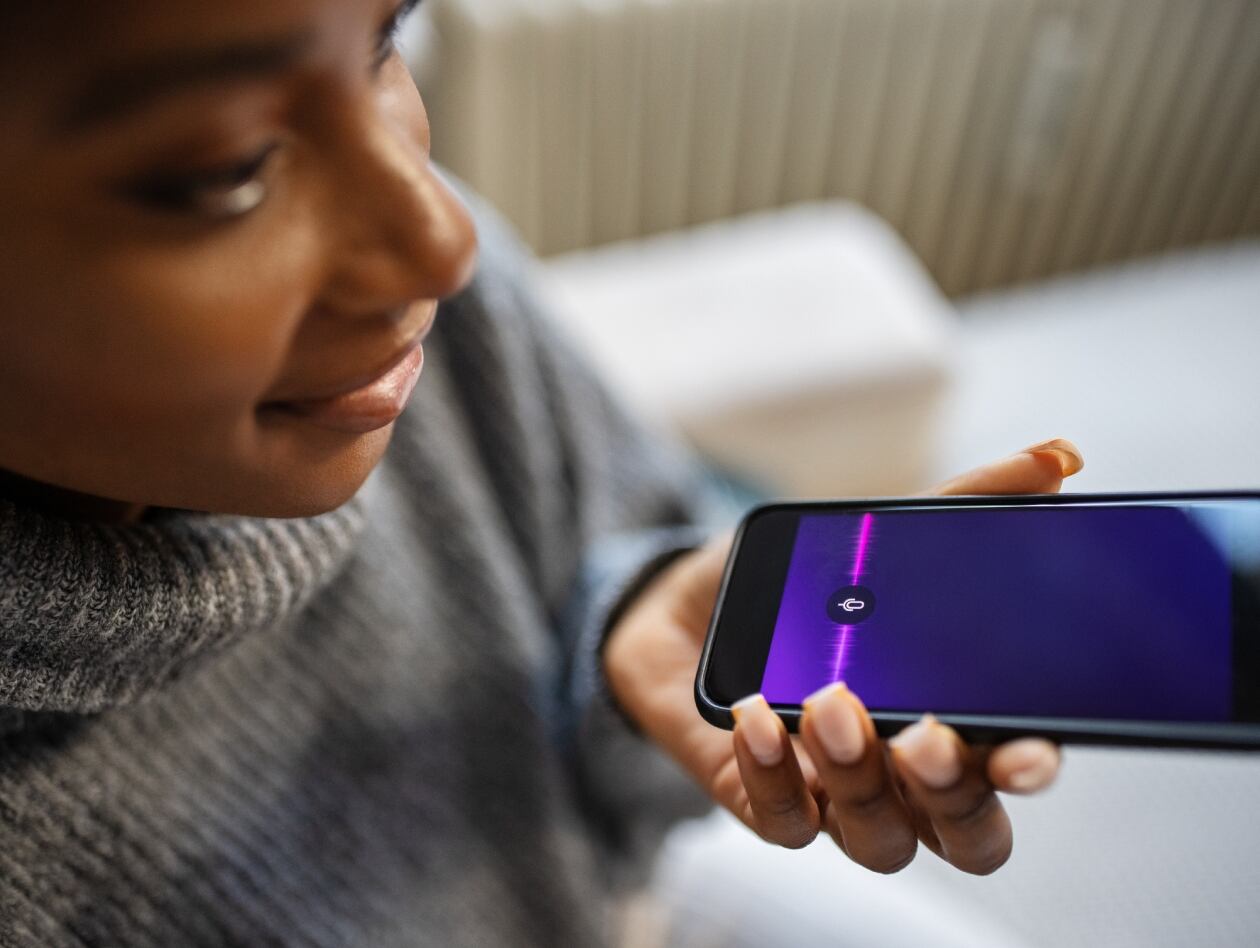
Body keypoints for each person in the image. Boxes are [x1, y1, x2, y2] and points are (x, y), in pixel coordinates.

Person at [0, 1, 1078, 944]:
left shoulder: (435, 338)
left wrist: (627, 653)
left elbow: (611, 604)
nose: (443, 239)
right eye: (227, 169)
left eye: (383, 41)